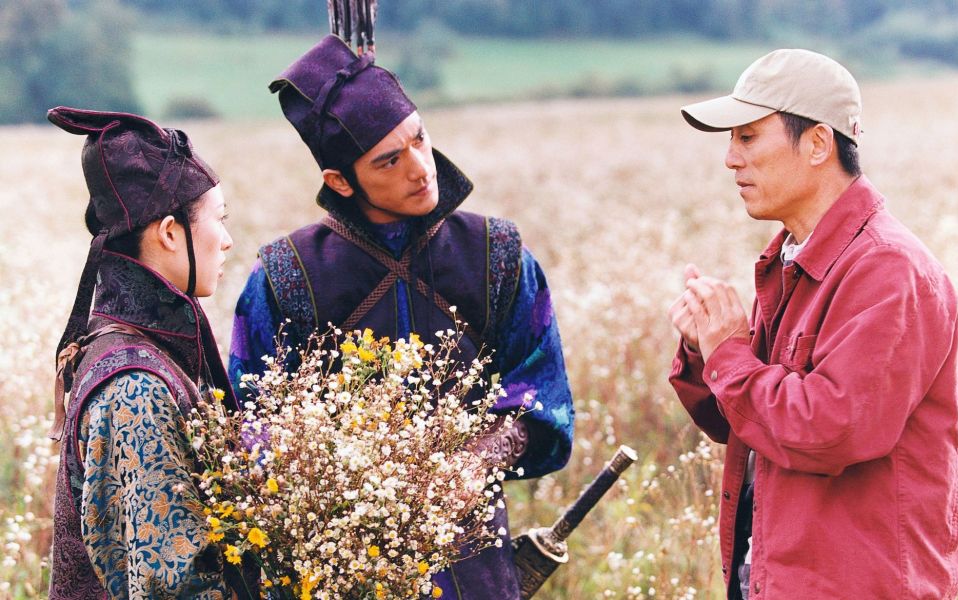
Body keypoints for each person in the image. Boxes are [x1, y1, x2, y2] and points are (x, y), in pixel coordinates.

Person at [228, 35, 574, 599]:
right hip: (335, 567)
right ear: (340, 181)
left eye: (419, 139)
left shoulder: (498, 254)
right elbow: (253, 423)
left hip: (473, 560)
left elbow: (544, 395)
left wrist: (478, 459)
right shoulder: (283, 275)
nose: (421, 169)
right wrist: (337, 482)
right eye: (390, 159)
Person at [667, 49, 958, 599]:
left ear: (817, 143)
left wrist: (729, 353)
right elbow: (746, 426)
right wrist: (705, 350)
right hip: (781, 579)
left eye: (748, 137)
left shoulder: (888, 269)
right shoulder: (792, 260)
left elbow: (831, 430)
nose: (730, 160)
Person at [47, 107, 253, 599]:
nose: (226, 241)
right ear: (168, 232)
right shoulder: (135, 387)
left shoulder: (141, 349)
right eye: (218, 221)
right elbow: (170, 586)